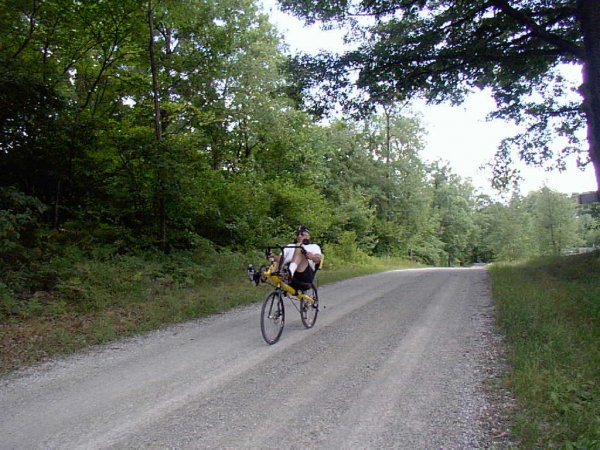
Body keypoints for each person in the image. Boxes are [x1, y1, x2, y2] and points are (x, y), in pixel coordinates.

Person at [273, 225, 322, 291]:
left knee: (299, 247)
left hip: (304, 276)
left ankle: (290, 272)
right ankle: (267, 274)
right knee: (276, 261)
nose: (299, 236)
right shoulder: (289, 246)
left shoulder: (314, 246)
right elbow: (280, 259)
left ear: (308, 236)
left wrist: (312, 257)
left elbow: (318, 259)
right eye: (297, 234)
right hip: (287, 272)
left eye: (302, 234)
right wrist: (272, 256)